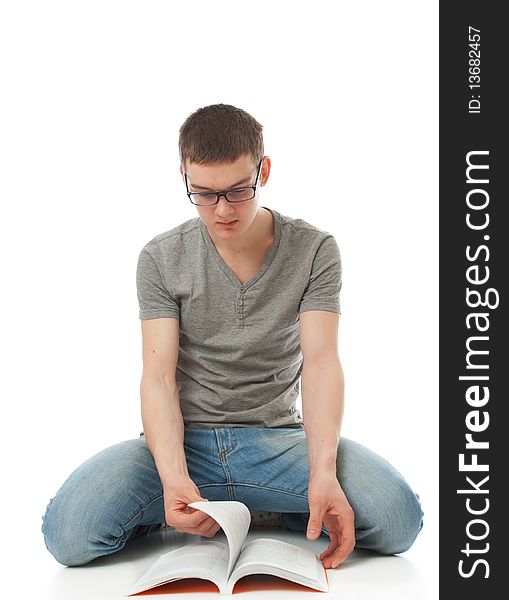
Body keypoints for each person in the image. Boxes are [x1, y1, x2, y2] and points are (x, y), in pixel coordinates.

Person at [41, 103, 423, 569]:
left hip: (278, 444)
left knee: (397, 519)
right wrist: (173, 476)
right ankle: (198, 506)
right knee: (69, 536)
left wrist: (323, 472)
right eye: (202, 193)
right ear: (183, 176)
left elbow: (322, 363)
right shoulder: (160, 257)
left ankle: (274, 506)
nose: (222, 210)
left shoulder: (315, 249)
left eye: (238, 191)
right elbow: (157, 379)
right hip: (184, 445)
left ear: (263, 170)